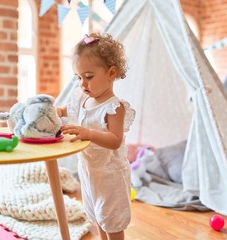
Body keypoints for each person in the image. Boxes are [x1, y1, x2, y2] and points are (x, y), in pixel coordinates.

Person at [57, 32, 136, 240]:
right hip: (89, 171)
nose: (83, 83)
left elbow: (115, 139)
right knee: (97, 216)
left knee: (112, 219)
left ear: (111, 73)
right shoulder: (82, 98)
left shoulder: (113, 107)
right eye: (79, 77)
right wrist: (59, 112)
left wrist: (88, 134)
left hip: (110, 175)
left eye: (89, 77)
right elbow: (70, 110)